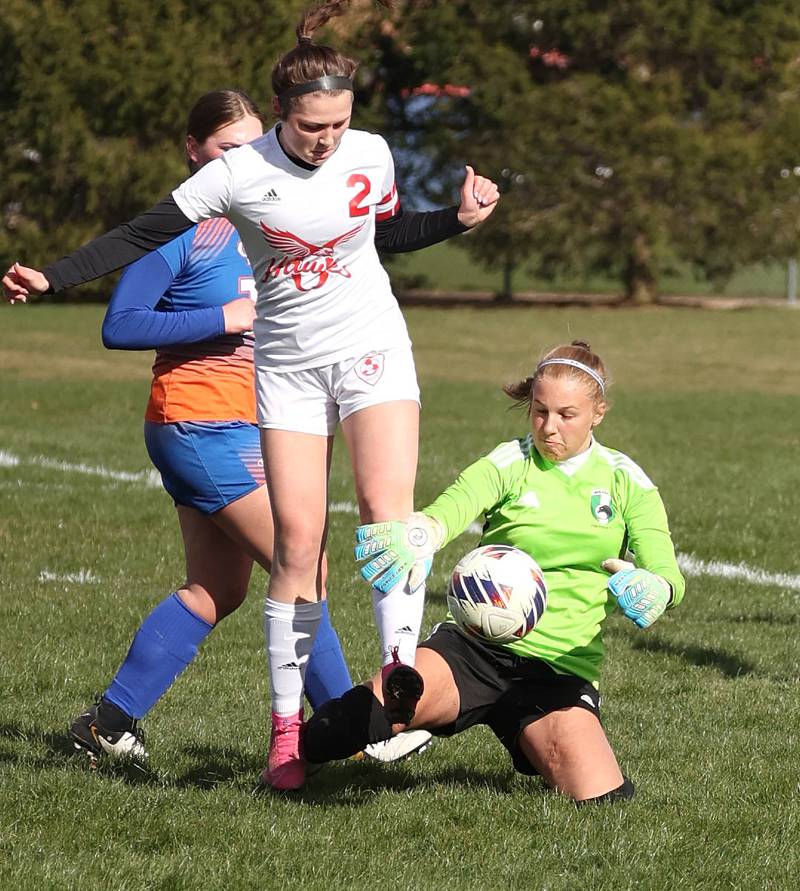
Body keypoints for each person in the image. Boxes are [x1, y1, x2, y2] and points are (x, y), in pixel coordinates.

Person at [2, 0, 500, 790]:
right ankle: (289, 737)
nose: (327, 139)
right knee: (297, 550)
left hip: (371, 350)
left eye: (338, 124)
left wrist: (459, 221)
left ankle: (392, 682)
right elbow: (139, 234)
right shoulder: (234, 177)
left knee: (382, 516)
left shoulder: (371, 152)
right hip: (275, 379)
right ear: (280, 116)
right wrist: (54, 274)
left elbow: (383, 234)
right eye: (311, 128)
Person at [47, 88, 429, 768]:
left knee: (216, 589)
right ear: (194, 152)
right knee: (303, 563)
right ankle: (362, 727)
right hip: (198, 424)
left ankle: (106, 724)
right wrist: (221, 319)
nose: (243, 161)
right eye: (227, 149)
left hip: (241, 426)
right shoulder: (185, 228)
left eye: (251, 147)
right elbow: (119, 323)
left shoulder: (261, 217)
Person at [303, 340, 686, 803]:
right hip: (473, 649)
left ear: (598, 413)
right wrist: (424, 530)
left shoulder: (627, 481)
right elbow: (455, 505)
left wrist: (657, 587)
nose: (549, 428)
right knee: (353, 721)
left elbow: (666, 569)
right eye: (539, 411)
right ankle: (295, 751)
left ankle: (457, 721)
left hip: (560, 670)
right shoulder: (512, 461)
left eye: (567, 415)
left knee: (605, 800)